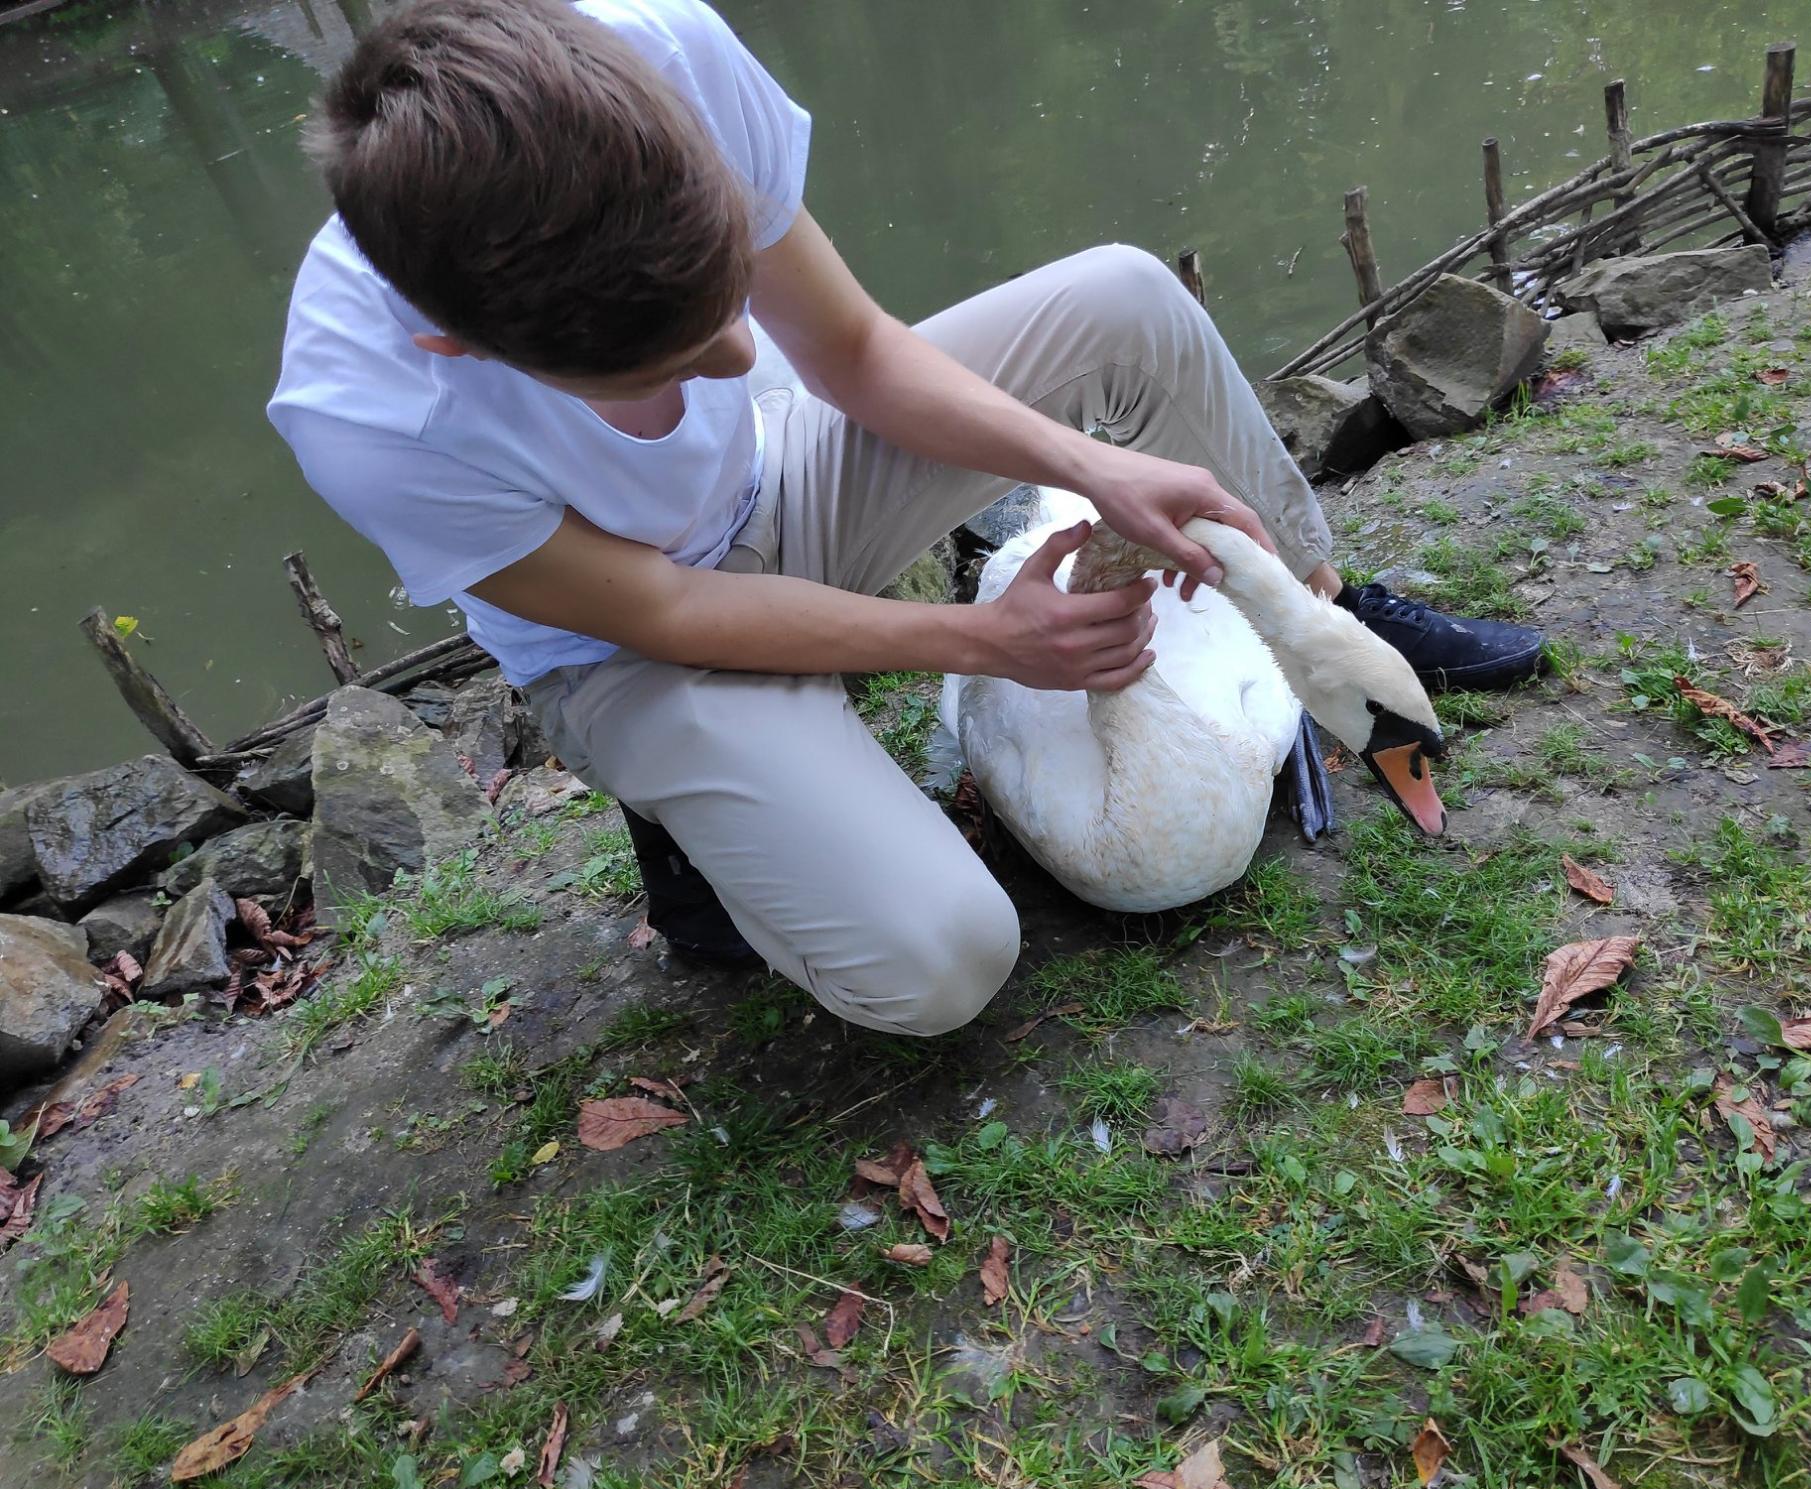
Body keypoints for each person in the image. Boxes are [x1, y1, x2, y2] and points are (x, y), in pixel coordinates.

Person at [268, 0, 1545, 1038]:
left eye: (730, 300)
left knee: (1124, 300)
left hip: (782, 478)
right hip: (635, 635)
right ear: (459, 343)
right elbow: (665, 607)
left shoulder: (662, 57)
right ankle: (700, 813)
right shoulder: (374, 414)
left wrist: (1090, 469)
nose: (728, 358)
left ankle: (1315, 611)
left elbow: (853, 355)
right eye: (663, 363)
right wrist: (988, 643)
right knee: (942, 965)